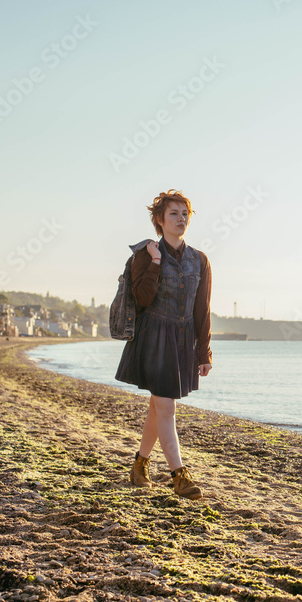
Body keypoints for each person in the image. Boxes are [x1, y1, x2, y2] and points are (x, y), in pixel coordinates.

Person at [114, 189, 212, 500]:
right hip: (153, 337)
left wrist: (203, 352)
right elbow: (142, 298)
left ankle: (139, 466)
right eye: (174, 213)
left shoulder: (200, 259)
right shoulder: (145, 254)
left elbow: (202, 309)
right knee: (166, 407)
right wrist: (155, 261)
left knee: (158, 409)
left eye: (185, 214)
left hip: (182, 340)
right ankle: (179, 476)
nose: (181, 219)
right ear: (159, 219)